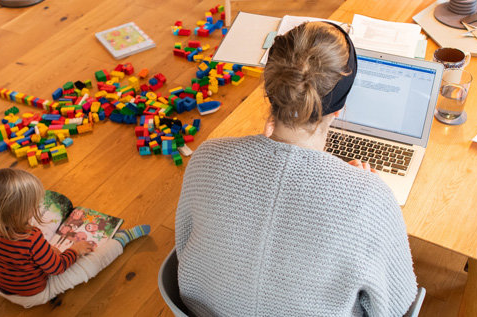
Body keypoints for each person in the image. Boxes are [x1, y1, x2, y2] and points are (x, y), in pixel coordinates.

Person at [175, 22, 418, 316]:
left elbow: (185, 245)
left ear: (270, 88)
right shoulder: (371, 200)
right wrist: (361, 195)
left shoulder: (206, 158)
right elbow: (396, 305)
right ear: (339, 108)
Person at [0, 168, 151, 308]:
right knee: (90, 266)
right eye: (32, 206)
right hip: (33, 295)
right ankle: (121, 240)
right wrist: (74, 251)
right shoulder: (31, 238)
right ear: (16, 214)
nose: (37, 207)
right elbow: (57, 267)